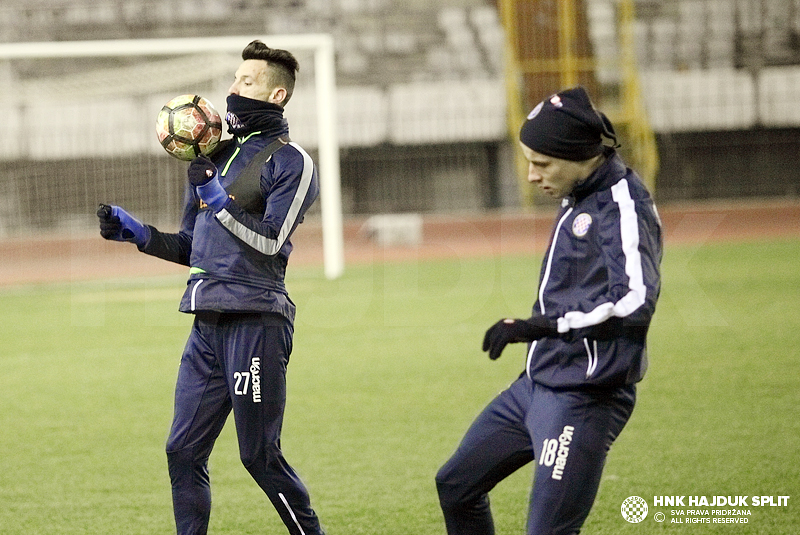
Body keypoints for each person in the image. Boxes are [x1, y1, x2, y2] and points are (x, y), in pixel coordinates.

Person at [98, 40, 326, 535]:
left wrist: (217, 199)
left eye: (246, 82)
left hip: (256, 321)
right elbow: (190, 248)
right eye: (234, 79)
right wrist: (138, 234)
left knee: (259, 457)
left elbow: (269, 242)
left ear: (278, 95)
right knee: (182, 450)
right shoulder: (213, 156)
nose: (233, 88)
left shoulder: (292, 163)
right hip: (206, 325)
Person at [435, 86, 663, 535]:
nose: (531, 174)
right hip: (537, 384)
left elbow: (635, 299)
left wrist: (540, 325)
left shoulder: (622, 206)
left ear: (582, 156)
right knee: (456, 485)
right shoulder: (580, 191)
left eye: (542, 163)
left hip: (585, 397)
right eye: (527, 160)